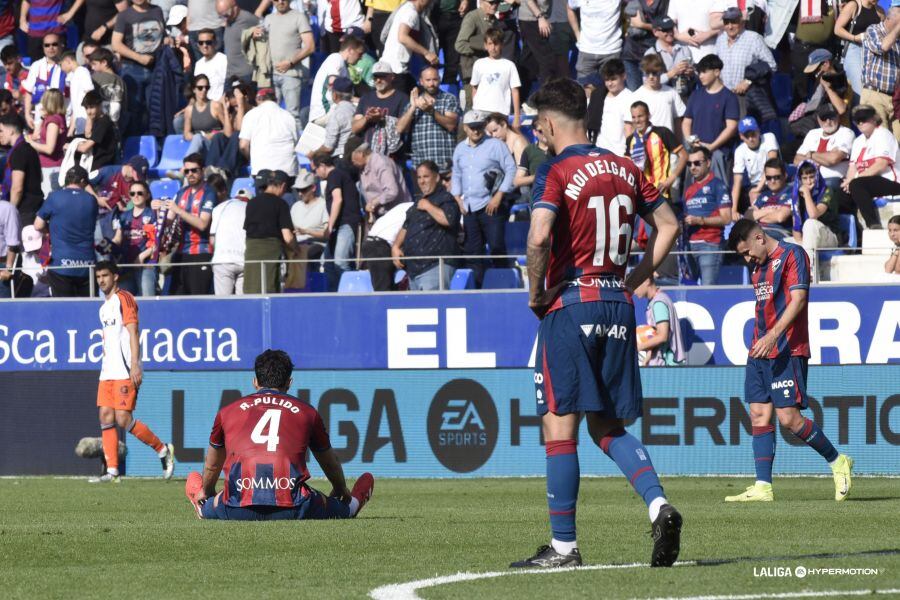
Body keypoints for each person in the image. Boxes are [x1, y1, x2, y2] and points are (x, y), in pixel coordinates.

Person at [511, 78, 681, 570]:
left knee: (559, 427)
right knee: (607, 424)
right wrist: (634, 279)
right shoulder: (627, 167)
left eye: (537, 123)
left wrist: (536, 295)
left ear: (546, 123)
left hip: (572, 302)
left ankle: (564, 548)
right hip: (617, 303)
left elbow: (539, 237)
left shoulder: (555, 169)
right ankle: (658, 505)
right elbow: (668, 224)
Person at [725, 219, 853, 502]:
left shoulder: (792, 255)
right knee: (758, 414)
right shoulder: (758, 267)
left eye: (747, 252)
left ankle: (837, 461)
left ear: (759, 237)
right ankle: (763, 486)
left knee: (789, 419)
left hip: (787, 348)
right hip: (760, 350)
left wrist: (772, 336)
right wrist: (762, 340)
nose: (747, 259)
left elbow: (798, 301)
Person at [184, 349, 374, 520]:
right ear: (289, 383)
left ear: (255, 381)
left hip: (237, 508)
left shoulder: (227, 411)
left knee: (214, 504)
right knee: (339, 509)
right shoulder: (307, 412)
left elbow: (212, 464)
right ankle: (353, 504)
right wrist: (341, 489)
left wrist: (207, 491)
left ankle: (202, 506)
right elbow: (329, 461)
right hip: (294, 507)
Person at [88, 260, 176, 483]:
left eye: (105, 276)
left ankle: (163, 449)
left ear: (115, 276)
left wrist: (135, 364)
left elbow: (133, 332)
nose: (101, 280)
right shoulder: (102, 307)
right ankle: (113, 472)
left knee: (123, 419)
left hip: (125, 368)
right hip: (107, 370)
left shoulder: (124, 298)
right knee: (105, 416)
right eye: (98, 277)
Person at [451, 110, 516, 288]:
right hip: (470, 207)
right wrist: (457, 198)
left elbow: (511, 169)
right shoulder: (460, 149)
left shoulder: (495, 145)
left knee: (496, 247)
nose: (476, 131)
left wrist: (499, 195)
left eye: (479, 127)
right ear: (465, 128)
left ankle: (504, 286)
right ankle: (477, 288)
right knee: (473, 252)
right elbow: (456, 173)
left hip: (491, 205)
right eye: (472, 128)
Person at [392, 160, 461, 290]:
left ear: (437, 177)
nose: (422, 181)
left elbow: (448, 219)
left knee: (433, 307)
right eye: (419, 177)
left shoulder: (446, 198)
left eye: (426, 176)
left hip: (435, 266)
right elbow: (406, 226)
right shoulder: (418, 202)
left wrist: (429, 206)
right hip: (413, 270)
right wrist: (395, 246)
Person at [33, 166, 97, 297]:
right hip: (87, 265)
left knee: (63, 313)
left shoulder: (54, 197)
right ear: (83, 181)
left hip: (61, 265)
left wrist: (49, 231)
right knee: (88, 312)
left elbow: (38, 225)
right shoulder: (91, 200)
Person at [682, 53, 739, 185]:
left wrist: (711, 147)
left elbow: (731, 127)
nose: (700, 76)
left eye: (704, 72)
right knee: (692, 193)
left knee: (718, 193)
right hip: (695, 153)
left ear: (717, 72)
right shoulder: (695, 95)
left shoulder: (729, 97)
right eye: (699, 72)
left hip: (718, 154)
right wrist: (690, 140)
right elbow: (686, 122)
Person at [111, 0, 166, 137]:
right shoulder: (124, 15)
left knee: (156, 109)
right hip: (132, 68)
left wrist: (168, 41)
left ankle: (156, 143)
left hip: (157, 67)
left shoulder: (157, 11)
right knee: (135, 111)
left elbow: (161, 36)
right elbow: (116, 44)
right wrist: (138, 57)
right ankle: (135, 146)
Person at [310, 151, 362, 291]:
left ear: (322, 166)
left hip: (345, 224)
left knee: (340, 263)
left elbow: (338, 199)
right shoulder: (337, 175)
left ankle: (352, 294)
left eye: (315, 170)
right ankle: (334, 295)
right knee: (328, 263)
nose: (315, 174)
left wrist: (329, 226)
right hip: (338, 226)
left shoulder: (334, 175)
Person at [165, 154, 216, 295]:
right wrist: (157, 211)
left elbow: (203, 224)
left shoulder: (209, 193)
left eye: (194, 170)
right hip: (181, 253)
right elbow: (168, 222)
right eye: (186, 171)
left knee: (198, 301)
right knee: (176, 300)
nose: (190, 174)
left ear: (203, 170)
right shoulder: (181, 193)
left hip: (201, 252)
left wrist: (179, 211)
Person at [844, 104, 900, 230]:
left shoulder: (883, 134)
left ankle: (873, 225)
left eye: (864, 119)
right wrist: (847, 182)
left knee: (857, 184)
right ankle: (846, 235)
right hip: (867, 183)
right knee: (839, 194)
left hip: (892, 182)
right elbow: (852, 167)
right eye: (857, 120)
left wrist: (853, 180)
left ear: (874, 119)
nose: (861, 123)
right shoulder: (858, 141)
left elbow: (881, 164)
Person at [261, 0, 314, 130]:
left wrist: (290, 62)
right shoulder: (268, 19)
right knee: (270, 116)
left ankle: (297, 149)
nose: (280, 1)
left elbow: (310, 46)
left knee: (292, 116)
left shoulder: (298, 17)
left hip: (291, 75)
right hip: (270, 75)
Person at [683, 146, 732, 285]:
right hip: (689, 246)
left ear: (708, 163)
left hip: (710, 245)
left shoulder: (718, 185)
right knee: (689, 292)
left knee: (707, 291)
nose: (693, 167)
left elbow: (727, 219)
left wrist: (700, 220)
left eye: (697, 163)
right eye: (689, 164)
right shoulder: (689, 190)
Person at [243, 170, 297, 294]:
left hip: (251, 253)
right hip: (271, 253)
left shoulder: (251, 203)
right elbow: (288, 237)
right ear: (282, 185)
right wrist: (296, 249)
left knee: (252, 288)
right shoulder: (281, 204)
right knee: (270, 287)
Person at [396, 66, 459, 170]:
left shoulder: (449, 99)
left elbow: (451, 125)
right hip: (421, 165)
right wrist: (412, 107)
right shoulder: (414, 102)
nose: (431, 84)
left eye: (435, 79)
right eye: (428, 80)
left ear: (439, 80)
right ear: (421, 81)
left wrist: (430, 111)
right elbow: (399, 129)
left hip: (444, 162)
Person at [625, 101, 686, 206]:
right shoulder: (630, 139)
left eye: (640, 116)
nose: (637, 120)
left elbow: (684, 156)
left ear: (648, 115)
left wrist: (671, 179)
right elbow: (627, 166)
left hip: (661, 192)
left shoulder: (662, 132)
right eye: (633, 117)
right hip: (641, 194)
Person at [791, 161, 842, 281]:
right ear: (800, 179)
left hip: (830, 237)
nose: (809, 181)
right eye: (805, 178)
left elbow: (813, 214)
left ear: (817, 175)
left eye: (812, 177)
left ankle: (809, 272)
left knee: (810, 224)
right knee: (783, 244)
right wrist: (800, 244)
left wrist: (807, 194)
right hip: (808, 240)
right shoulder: (796, 196)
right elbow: (796, 231)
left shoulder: (827, 191)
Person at [713, 7, 776, 100]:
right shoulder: (720, 40)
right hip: (724, 96)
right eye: (726, 22)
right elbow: (714, 66)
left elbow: (772, 65)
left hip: (747, 96)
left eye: (734, 22)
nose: (730, 26)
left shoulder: (754, 38)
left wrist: (748, 81)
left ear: (742, 22)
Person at [793, 103, 855, 193]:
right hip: (809, 180)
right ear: (818, 119)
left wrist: (810, 154)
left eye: (831, 117)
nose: (828, 122)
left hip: (834, 181)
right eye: (824, 118)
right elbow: (796, 160)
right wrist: (823, 158)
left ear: (838, 117)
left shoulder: (847, 133)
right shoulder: (812, 133)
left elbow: (833, 159)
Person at [860, 3, 900, 138]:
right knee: (879, 143)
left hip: (894, 100)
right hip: (875, 95)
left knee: (897, 145)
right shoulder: (873, 30)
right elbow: (884, 46)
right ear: (891, 17)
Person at [112, 181, 158, 297]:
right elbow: (118, 238)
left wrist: (141, 256)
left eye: (140, 193)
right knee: (122, 301)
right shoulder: (123, 216)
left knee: (147, 302)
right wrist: (108, 245)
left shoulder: (153, 215)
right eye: (132, 193)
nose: (136, 196)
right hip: (126, 266)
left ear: (147, 195)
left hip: (145, 265)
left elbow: (157, 242)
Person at [240, 87, 299, 176]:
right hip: (288, 171)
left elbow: (243, 145)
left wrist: (251, 159)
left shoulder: (250, 115)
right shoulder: (288, 116)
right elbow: (296, 142)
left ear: (258, 99)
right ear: (276, 99)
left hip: (261, 171)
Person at [308, 35, 366, 124]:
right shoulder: (336, 58)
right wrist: (358, 101)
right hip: (325, 111)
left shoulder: (344, 66)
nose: (361, 58)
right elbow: (333, 84)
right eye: (360, 53)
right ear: (350, 50)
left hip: (331, 112)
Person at [351, 61, 409, 149]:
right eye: (375, 77)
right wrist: (367, 117)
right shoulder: (365, 98)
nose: (378, 80)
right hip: (368, 153)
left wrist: (383, 119)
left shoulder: (402, 98)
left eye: (382, 76)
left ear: (392, 77)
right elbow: (354, 128)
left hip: (392, 153)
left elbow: (405, 128)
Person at [470, 28, 521, 127]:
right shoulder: (479, 64)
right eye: (490, 44)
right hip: (481, 111)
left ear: (502, 45)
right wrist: (474, 110)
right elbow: (474, 88)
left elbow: (515, 91)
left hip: (500, 111)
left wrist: (517, 117)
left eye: (496, 44)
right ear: (485, 45)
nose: (493, 47)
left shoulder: (509, 65)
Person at [380, 0, 438, 86]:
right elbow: (402, 37)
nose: (431, 3)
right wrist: (427, 53)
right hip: (396, 69)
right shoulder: (411, 13)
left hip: (394, 67)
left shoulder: (406, 8)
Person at [834, 0, 883, 101]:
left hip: (872, 54)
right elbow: (837, 29)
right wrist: (854, 38)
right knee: (859, 92)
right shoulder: (853, 5)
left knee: (871, 92)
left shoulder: (880, 11)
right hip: (854, 49)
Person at [0, 114, 43, 226]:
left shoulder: (19, 152)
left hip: (24, 212)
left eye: (1, 131)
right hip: (33, 208)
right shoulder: (28, 148)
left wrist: (9, 213)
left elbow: (17, 188)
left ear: (11, 131)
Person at [351, 141, 413, 220]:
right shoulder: (362, 168)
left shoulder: (381, 163)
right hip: (381, 216)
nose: (352, 162)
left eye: (352, 159)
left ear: (360, 154)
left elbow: (392, 191)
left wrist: (374, 203)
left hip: (397, 214)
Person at [731, 116, 780, 217]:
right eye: (746, 135)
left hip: (775, 178)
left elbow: (772, 164)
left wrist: (758, 188)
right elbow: (737, 182)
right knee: (752, 196)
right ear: (741, 136)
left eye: (753, 134)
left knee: (756, 194)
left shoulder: (769, 137)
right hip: (756, 185)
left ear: (758, 131)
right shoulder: (740, 151)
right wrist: (733, 209)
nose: (751, 138)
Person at [634, 278, 685, 366]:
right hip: (662, 365)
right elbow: (657, 336)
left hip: (668, 367)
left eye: (635, 285)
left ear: (647, 281)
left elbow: (662, 336)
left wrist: (638, 347)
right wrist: (647, 357)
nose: (634, 291)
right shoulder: (656, 300)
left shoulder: (659, 303)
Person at [362, 200, 412, 290]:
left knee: (387, 289)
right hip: (379, 246)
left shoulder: (405, 205)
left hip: (373, 242)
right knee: (384, 291)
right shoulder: (417, 208)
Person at [20, 32, 65, 132]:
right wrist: (27, 114)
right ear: (43, 47)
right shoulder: (36, 65)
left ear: (61, 45)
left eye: (54, 44)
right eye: (47, 45)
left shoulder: (67, 65)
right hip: (40, 119)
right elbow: (29, 92)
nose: (51, 48)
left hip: (62, 118)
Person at [630, 54, 686, 133]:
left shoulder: (671, 92)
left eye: (654, 73)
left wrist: (678, 142)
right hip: (647, 143)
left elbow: (678, 121)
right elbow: (632, 125)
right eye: (647, 73)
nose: (651, 77)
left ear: (661, 72)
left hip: (668, 143)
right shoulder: (636, 96)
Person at [568, 0, 623, 80]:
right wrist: (577, 35)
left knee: (612, 90)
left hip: (611, 50)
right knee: (584, 89)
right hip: (586, 50)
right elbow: (570, 8)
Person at [644, 16, 694, 102]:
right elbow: (647, 83)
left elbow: (695, 74)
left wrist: (691, 73)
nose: (670, 32)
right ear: (655, 32)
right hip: (662, 99)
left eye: (671, 28)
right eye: (665, 30)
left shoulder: (684, 48)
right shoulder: (651, 53)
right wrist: (672, 73)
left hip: (685, 97)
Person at [27, 88, 66, 198]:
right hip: (48, 166)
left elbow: (49, 148)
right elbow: (38, 135)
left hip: (51, 167)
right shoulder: (51, 118)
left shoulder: (53, 121)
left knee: (49, 199)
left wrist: (30, 143)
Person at [210, 185, 248, 296]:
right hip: (244, 260)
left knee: (223, 304)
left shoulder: (219, 208)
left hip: (223, 259)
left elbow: (212, 239)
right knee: (243, 304)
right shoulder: (252, 207)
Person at [184, 74, 231, 157]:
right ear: (194, 89)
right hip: (199, 146)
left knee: (198, 138)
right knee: (198, 138)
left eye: (207, 87)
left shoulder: (215, 106)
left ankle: (185, 165)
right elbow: (186, 134)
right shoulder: (189, 110)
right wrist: (200, 137)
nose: (204, 90)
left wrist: (212, 135)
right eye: (200, 88)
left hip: (215, 145)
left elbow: (227, 131)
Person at [595, 59, 633, 156]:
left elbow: (629, 129)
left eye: (613, 79)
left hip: (619, 154)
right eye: (607, 80)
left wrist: (628, 153)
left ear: (623, 76)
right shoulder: (600, 96)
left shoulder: (629, 97)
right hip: (600, 151)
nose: (609, 83)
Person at [748, 159, 793, 241]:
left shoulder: (791, 192)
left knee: (754, 238)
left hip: (780, 232)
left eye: (777, 177)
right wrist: (769, 211)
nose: (772, 181)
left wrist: (759, 216)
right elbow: (748, 216)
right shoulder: (763, 194)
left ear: (785, 176)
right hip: (759, 230)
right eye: (769, 178)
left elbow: (780, 217)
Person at [290, 170, 328, 261]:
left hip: (316, 245)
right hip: (296, 244)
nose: (300, 193)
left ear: (313, 188)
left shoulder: (323, 205)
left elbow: (327, 234)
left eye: (303, 190)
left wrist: (307, 231)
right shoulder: (295, 206)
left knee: (306, 253)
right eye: (298, 190)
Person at [216, 0, 257, 84]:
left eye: (225, 15)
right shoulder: (229, 20)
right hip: (230, 74)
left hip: (246, 74)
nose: (224, 19)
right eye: (220, 16)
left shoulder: (248, 19)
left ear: (235, 7)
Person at [315, 77, 356, 157]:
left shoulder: (336, 113)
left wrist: (313, 153)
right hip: (353, 156)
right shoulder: (356, 110)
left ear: (334, 95)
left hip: (339, 158)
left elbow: (328, 147)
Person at [59, 51, 95, 137]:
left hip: (85, 118)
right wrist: (71, 130)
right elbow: (76, 105)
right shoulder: (74, 75)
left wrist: (90, 120)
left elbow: (89, 92)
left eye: (61, 65)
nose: (61, 68)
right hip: (79, 120)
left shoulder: (82, 71)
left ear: (68, 61)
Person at [89, 48, 126, 127]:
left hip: (99, 123)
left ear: (104, 62)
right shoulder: (120, 80)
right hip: (118, 124)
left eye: (94, 64)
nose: (92, 68)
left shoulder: (95, 77)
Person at [193, 29, 228, 101]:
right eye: (201, 43)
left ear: (215, 43)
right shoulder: (198, 64)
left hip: (219, 104)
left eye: (208, 42)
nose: (204, 45)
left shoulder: (223, 60)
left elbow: (228, 86)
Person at [0, 199, 20, 298]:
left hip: (3, 265)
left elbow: (13, 243)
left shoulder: (7, 209)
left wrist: (8, 269)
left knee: (3, 307)